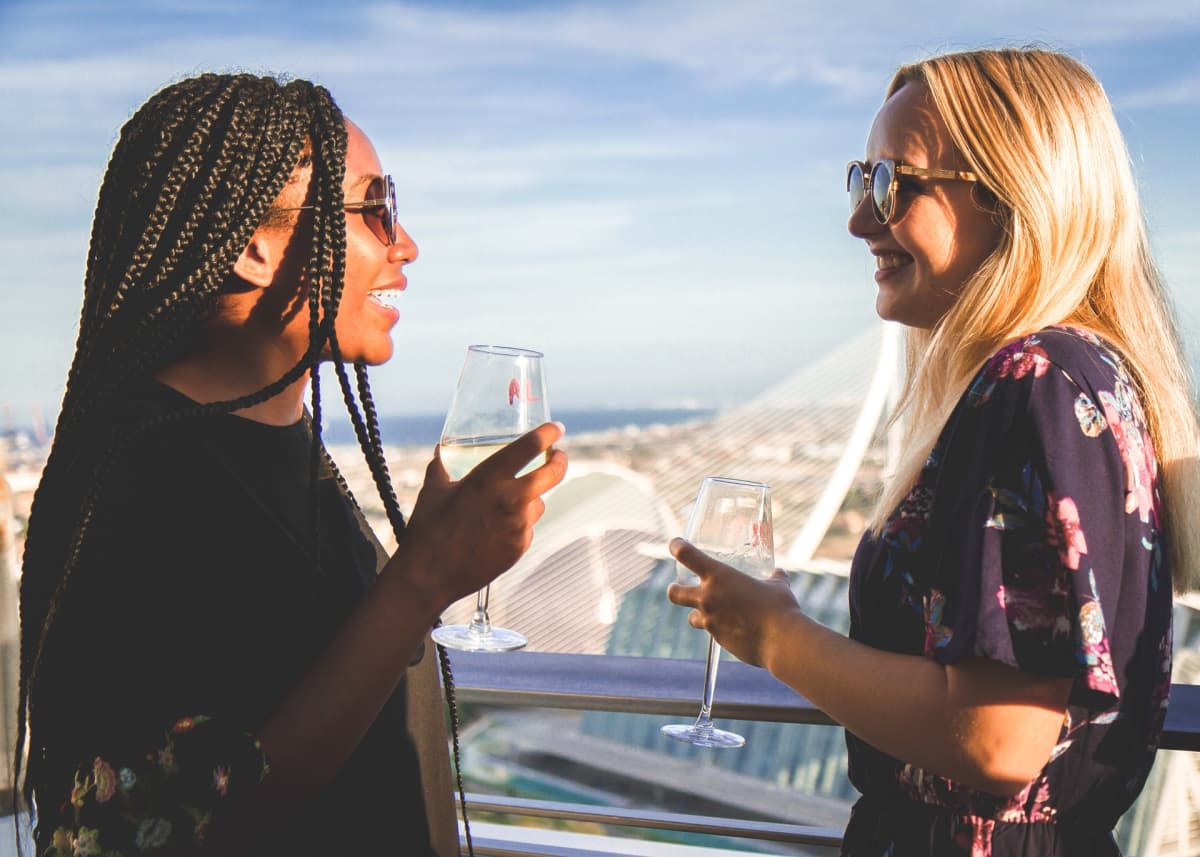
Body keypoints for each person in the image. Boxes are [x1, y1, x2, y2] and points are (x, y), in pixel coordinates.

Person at [15, 73, 567, 856]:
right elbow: (171, 828)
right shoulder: (132, 487)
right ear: (252, 244)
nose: (405, 243)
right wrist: (419, 580)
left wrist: (423, 572)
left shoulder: (285, 442)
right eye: (374, 207)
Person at [669, 47, 1199, 856]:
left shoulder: (1035, 381)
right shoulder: (1090, 376)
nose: (857, 220)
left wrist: (776, 636)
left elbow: (999, 738)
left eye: (892, 184)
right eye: (859, 180)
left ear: (1014, 195)